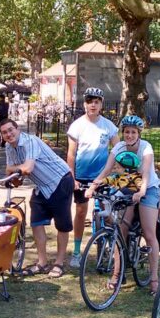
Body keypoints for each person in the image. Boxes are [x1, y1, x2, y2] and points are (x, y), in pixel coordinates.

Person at [85, 115, 160, 293]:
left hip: (147, 188)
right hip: (127, 187)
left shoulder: (145, 147)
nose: (129, 135)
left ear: (139, 134)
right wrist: (92, 187)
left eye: (133, 132)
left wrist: (142, 192)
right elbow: (107, 170)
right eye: (127, 132)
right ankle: (117, 273)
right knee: (120, 230)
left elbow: (146, 172)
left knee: (149, 234)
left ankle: (155, 278)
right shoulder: (119, 147)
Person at [0, 118, 73, 277]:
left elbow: (27, 168)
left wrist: (11, 169)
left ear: (17, 129)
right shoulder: (9, 148)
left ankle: (59, 263)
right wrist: (13, 176)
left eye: (11, 130)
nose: (8, 134)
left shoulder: (29, 141)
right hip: (42, 186)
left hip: (60, 180)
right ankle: (42, 263)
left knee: (62, 225)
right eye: (4, 132)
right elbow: (16, 177)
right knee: (36, 222)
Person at [66, 87, 119, 269]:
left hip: (103, 178)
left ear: (101, 104)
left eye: (97, 101)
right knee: (81, 212)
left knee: (106, 212)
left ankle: (110, 247)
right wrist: (72, 178)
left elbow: (118, 149)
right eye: (90, 101)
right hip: (82, 177)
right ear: (84, 104)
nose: (93, 105)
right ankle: (76, 251)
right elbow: (71, 154)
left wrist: (118, 168)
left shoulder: (109, 126)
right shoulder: (77, 126)